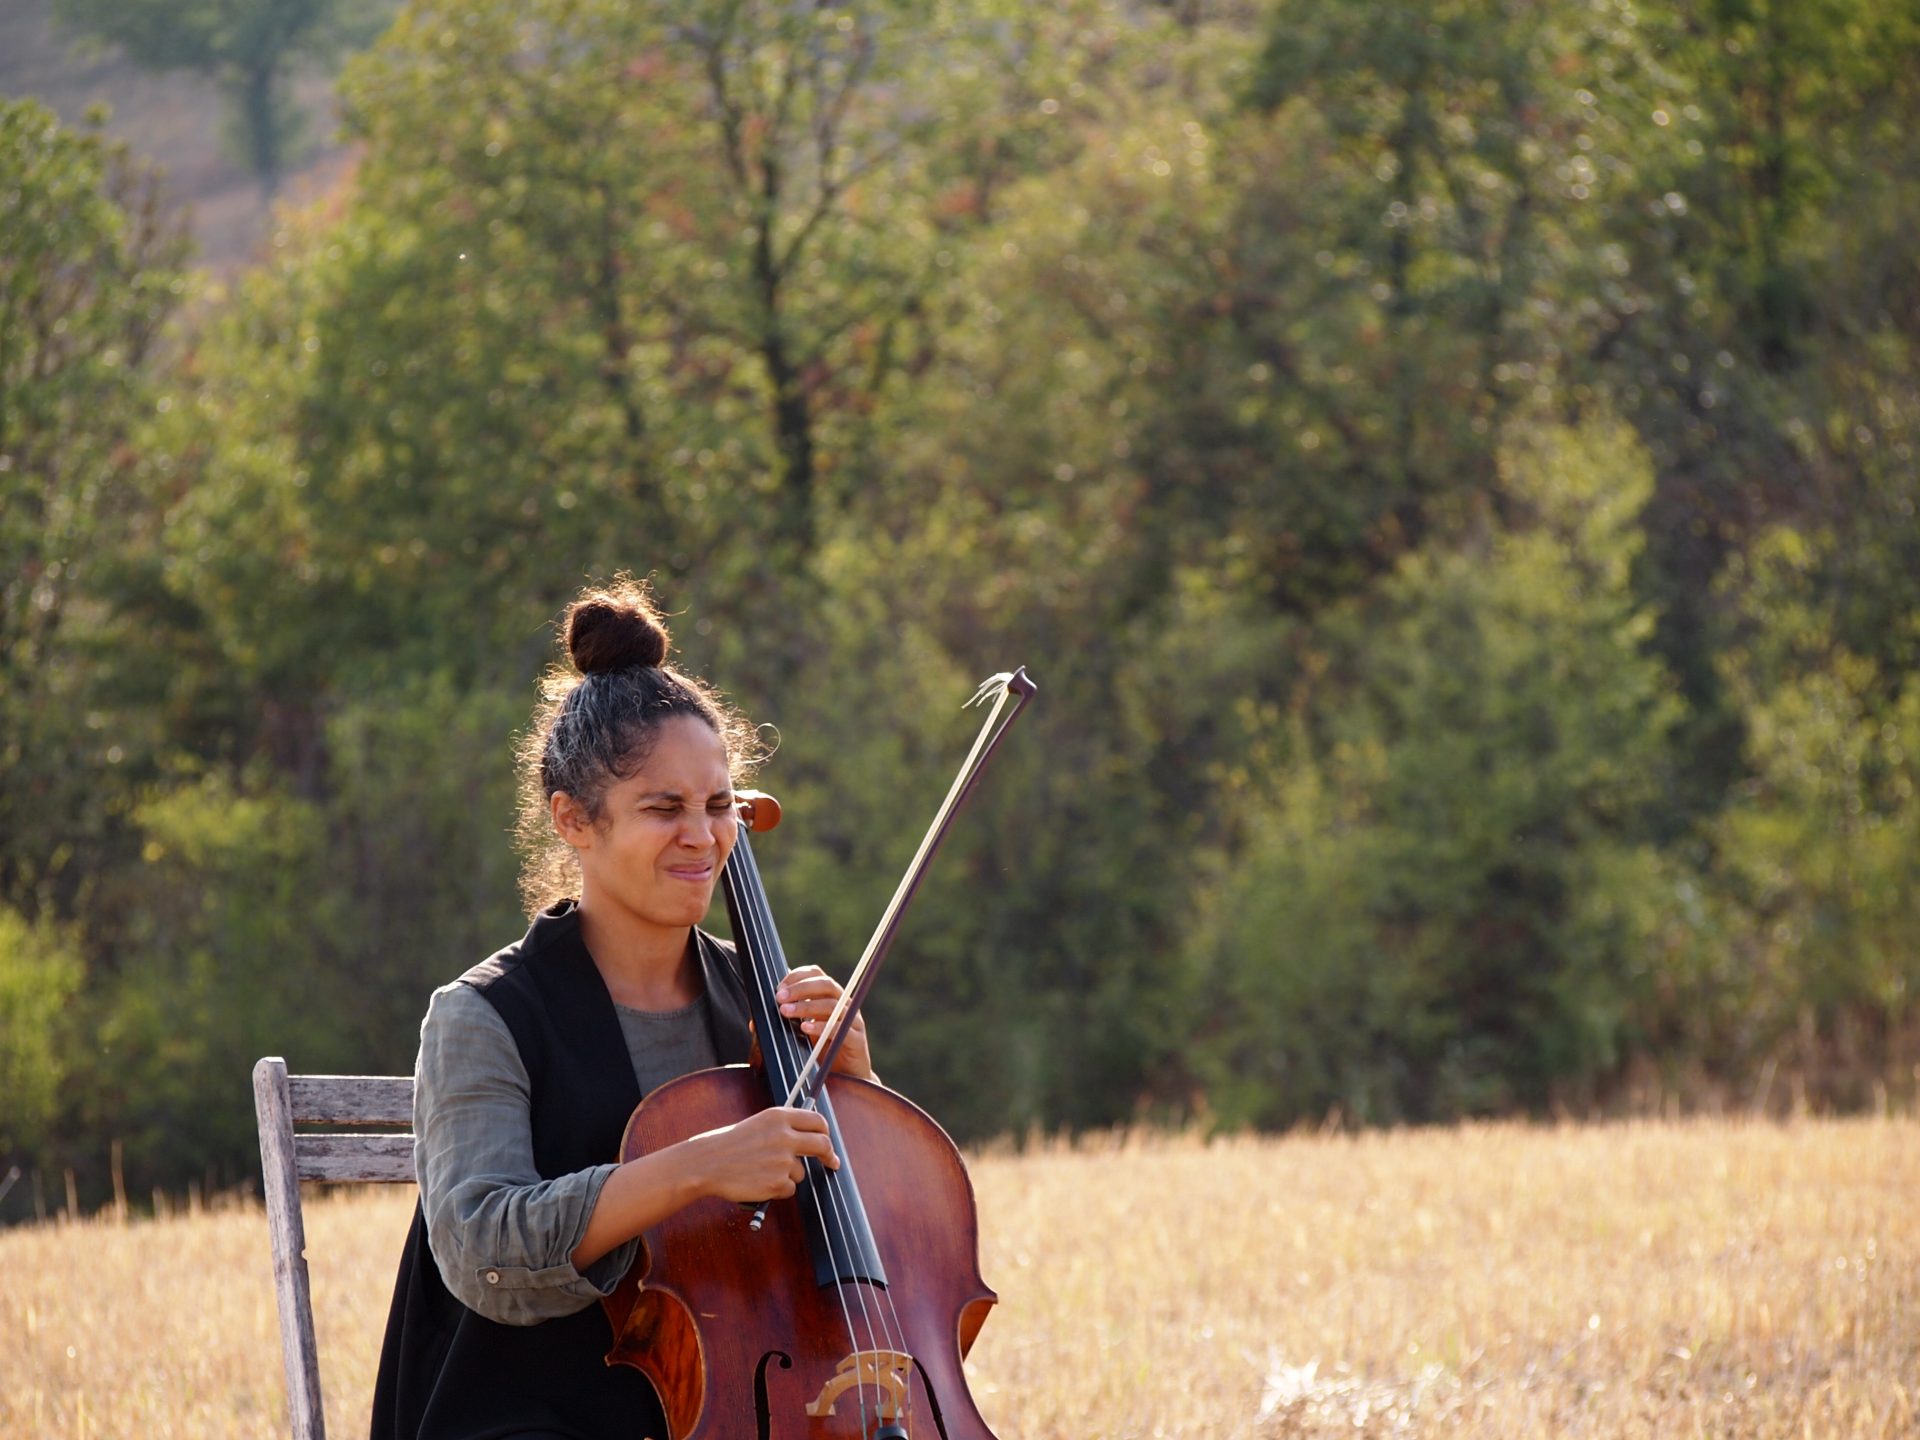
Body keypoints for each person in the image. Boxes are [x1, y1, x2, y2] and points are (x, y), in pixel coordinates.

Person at [372, 578, 875, 1440]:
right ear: (574, 820)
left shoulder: (766, 1011)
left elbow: (854, 1266)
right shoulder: (482, 1017)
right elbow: (483, 1251)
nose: (705, 836)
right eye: (663, 808)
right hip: (527, 1418)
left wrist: (855, 1102)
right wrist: (694, 1166)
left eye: (720, 806)